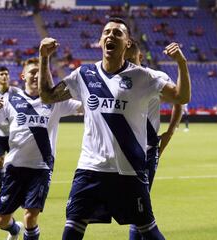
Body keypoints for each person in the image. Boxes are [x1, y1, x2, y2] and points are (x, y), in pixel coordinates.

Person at [38, 18, 191, 240]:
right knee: (71, 229)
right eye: (106, 32)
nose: (110, 36)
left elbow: (181, 96)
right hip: (90, 169)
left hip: (128, 172)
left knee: (148, 231)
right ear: (100, 41)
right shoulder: (84, 75)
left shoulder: (143, 77)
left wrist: (181, 63)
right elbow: (47, 96)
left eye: (117, 33)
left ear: (127, 43)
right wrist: (44, 58)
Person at [0, 58, 82, 240]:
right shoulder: (10, 99)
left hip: (41, 168)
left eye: (39, 72)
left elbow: (85, 107)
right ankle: (14, 230)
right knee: (2, 221)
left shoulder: (55, 100)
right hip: (15, 167)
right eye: (32, 72)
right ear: (23, 76)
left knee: (30, 216)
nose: (36, 75)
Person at [124, 41, 183, 239]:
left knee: (138, 209)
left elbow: (179, 99)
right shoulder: (115, 79)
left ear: (141, 57)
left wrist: (170, 132)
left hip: (146, 153)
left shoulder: (156, 78)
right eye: (125, 59)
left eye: (132, 58)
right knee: (135, 208)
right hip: (121, 152)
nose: (129, 63)